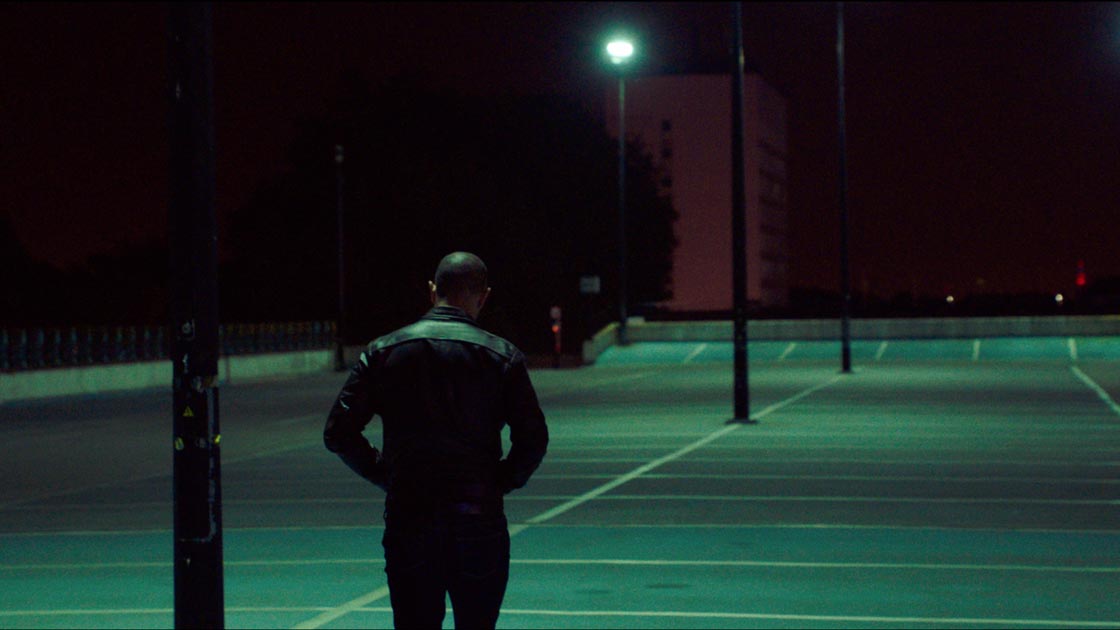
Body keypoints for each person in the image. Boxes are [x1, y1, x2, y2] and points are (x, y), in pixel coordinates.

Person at [324, 251, 549, 629]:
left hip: (410, 516)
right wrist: (499, 482)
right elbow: (534, 439)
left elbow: (338, 432)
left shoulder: (383, 351)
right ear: (483, 296)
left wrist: (386, 474)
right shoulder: (502, 356)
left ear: (432, 291)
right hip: (478, 520)